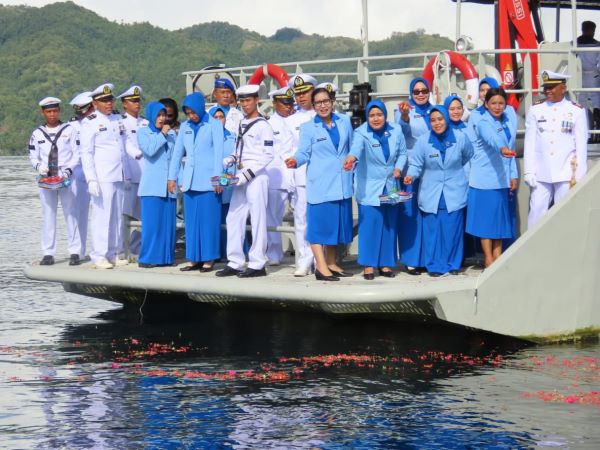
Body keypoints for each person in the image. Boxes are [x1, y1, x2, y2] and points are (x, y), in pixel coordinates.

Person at [285, 87, 353, 282]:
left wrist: (352, 159)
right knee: (318, 228)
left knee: (335, 227)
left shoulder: (345, 121)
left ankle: (331, 263)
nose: (322, 106)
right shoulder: (308, 128)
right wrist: (295, 161)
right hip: (321, 185)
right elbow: (303, 152)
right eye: (318, 103)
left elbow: (352, 146)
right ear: (313, 106)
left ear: (332, 101)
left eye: (326, 101)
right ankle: (321, 268)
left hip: (342, 183)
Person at [404, 105, 474, 276]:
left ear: (446, 118)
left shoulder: (460, 138)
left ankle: (452, 264)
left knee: (452, 231)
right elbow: (416, 164)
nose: (437, 123)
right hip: (431, 192)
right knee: (432, 232)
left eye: (440, 119)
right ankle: (434, 266)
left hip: (454, 190)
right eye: (433, 120)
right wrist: (410, 176)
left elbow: (467, 155)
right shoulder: (423, 141)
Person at [344, 99, 407, 280]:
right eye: (372, 115)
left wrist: (399, 168)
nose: (376, 118)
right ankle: (369, 264)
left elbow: (402, 153)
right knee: (369, 226)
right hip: (369, 187)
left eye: (379, 115)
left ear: (385, 115)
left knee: (389, 225)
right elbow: (356, 150)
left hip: (392, 185)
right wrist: (351, 158)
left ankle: (386, 263)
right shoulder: (361, 133)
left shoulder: (396, 130)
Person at [216, 84, 274, 278]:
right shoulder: (240, 123)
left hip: (256, 176)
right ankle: (235, 261)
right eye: (241, 100)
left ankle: (258, 263)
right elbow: (239, 148)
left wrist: (247, 175)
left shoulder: (263, 125)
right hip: (239, 175)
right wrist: (231, 158)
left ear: (257, 100)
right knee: (233, 217)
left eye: (248, 100)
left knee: (258, 219)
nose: (245, 104)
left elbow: (267, 156)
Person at [167, 92, 224, 272]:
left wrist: (218, 179)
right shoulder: (185, 126)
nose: (192, 116)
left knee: (208, 222)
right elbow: (177, 153)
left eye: (194, 112)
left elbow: (218, 155)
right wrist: (172, 177)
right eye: (188, 113)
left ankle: (209, 258)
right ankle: (193, 258)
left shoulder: (214, 125)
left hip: (209, 181)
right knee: (191, 222)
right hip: (189, 180)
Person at [524, 70, 588, 228]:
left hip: (566, 172)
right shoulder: (536, 110)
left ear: (563, 88)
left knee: (565, 214)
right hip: (541, 172)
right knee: (536, 212)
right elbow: (530, 143)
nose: (548, 91)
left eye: (552, 87)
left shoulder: (577, 111)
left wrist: (579, 174)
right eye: (546, 87)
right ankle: (535, 247)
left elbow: (581, 146)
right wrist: (529, 171)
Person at [466, 87, 518, 267]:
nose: (497, 107)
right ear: (486, 104)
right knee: (486, 223)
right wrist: (502, 149)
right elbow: (492, 138)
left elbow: (511, 148)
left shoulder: (508, 120)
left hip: (502, 179)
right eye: (493, 103)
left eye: (501, 103)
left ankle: (498, 257)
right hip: (484, 179)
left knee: (499, 222)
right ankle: (488, 258)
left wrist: (513, 175)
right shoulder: (482, 121)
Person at [80, 83, 129, 269]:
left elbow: (125, 145)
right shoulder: (90, 122)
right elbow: (86, 153)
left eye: (110, 100)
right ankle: (99, 255)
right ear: (95, 103)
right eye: (104, 101)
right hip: (102, 176)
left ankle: (115, 252)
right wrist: (91, 178)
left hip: (119, 174)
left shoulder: (117, 119)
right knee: (102, 216)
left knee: (117, 216)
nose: (109, 103)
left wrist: (139, 154)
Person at [29, 97, 80, 266]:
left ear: (59, 111)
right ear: (43, 112)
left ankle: (74, 251)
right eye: (48, 111)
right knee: (48, 215)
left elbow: (76, 154)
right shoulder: (37, 133)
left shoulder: (69, 130)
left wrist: (68, 171)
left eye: (55, 111)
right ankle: (48, 253)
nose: (52, 114)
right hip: (46, 179)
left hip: (65, 177)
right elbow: (32, 156)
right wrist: (38, 167)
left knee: (71, 214)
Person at [393, 77, 433, 275]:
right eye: (416, 91)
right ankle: (411, 259)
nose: (420, 94)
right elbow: (401, 132)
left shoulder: (436, 112)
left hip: (432, 171)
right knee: (409, 214)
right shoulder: (403, 111)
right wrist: (405, 116)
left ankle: (428, 256)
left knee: (429, 213)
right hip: (409, 172)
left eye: (423, 90)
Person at [136, 102, 178, 268]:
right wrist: (162, 135)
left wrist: (177, 180)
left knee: (168, 226)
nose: (162, 118)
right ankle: (147, 258)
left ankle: (166, 258)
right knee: (152, 226)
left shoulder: (172, 135)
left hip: (169, 186)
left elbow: (175, 158)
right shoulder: (143, 133)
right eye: (158, 115)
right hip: (152, 186)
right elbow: (150, 150)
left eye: (164, 115)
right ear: (151, 116)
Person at [284, 73, 318, 276]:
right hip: (301, 175)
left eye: (305, 92)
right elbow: (288, 151)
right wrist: (289, 176)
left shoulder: (323, 115)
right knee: (301, 218)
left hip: (322, 175)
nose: (302, 97)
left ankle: (321, 258)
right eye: (298, 94)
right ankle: (305, 259)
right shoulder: (291, 121)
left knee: (320, 218)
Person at [266, 86, 295, 265]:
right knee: (273, 218)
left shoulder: (298, 120)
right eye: (284, 102)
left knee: (302, 217)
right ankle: (274, 255)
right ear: (274, 103)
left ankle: (307, 257)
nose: (288, 106)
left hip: (295, 174)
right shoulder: (268, 124)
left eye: (290, 102)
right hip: (276, 175)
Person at [119, 85, 149, 257]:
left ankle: (137, 248)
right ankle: (121, 250)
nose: (136, 104)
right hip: (129, 177)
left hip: (145, 176)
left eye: (138, 100)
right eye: (132, 101)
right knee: (125, 216)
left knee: (142, 217)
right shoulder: (120, 123)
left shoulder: (145, 122)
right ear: (124, 103)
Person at [67, 91, 94, 262]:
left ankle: (105, 250)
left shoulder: (101, 122)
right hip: (78, 172)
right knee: (77, 212)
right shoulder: (71, 127)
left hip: (99, 171)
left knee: (102, 212)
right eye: (80, 111)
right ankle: (77, 251)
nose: (82, 114)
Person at [576, 20, 600, 140]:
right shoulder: (597, 45)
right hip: (590, 76)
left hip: (582, 75)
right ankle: (589, 133)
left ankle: (589, 134)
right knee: (589, 104)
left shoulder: (574, 43)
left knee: (585, 104)